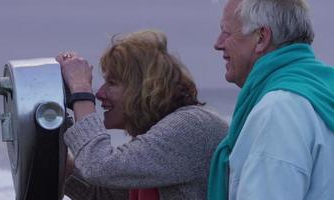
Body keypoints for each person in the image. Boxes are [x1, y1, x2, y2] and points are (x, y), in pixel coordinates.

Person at [56, 30, 228, 200]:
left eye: (112, 83)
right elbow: (104, 194)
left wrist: (80, 90)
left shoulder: (190, 127)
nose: (99, 93)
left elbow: (99, 167)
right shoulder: (163, 135)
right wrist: (58, 158)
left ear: (145, 88)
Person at [207, 0, 334, 199]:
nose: (218, 44)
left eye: (227, 32)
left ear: (261, 38)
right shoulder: (323, 91)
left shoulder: (279, 109)